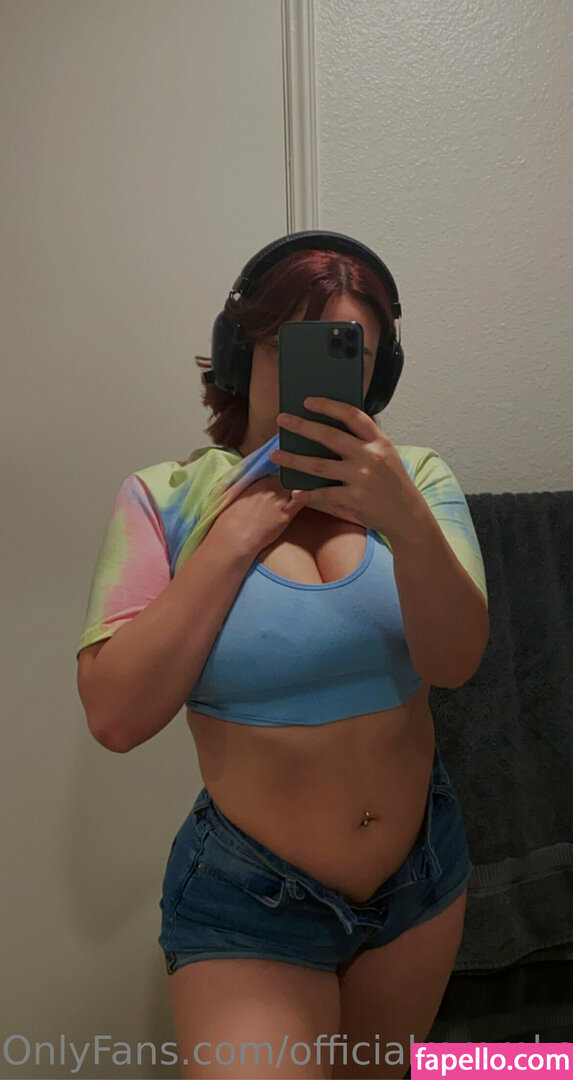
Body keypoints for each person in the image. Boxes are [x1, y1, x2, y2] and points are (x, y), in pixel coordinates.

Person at [76, 231, 490, 1080]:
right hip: (250, 903)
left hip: (419, 878)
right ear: (240, 351)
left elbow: (453, 662)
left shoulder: (417, 480)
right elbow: (115, 717)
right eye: (288, 344)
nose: (319, 371)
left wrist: (403, 519)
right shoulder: (163, 498)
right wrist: (235, 534)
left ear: (378, 371)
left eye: (350, 352)